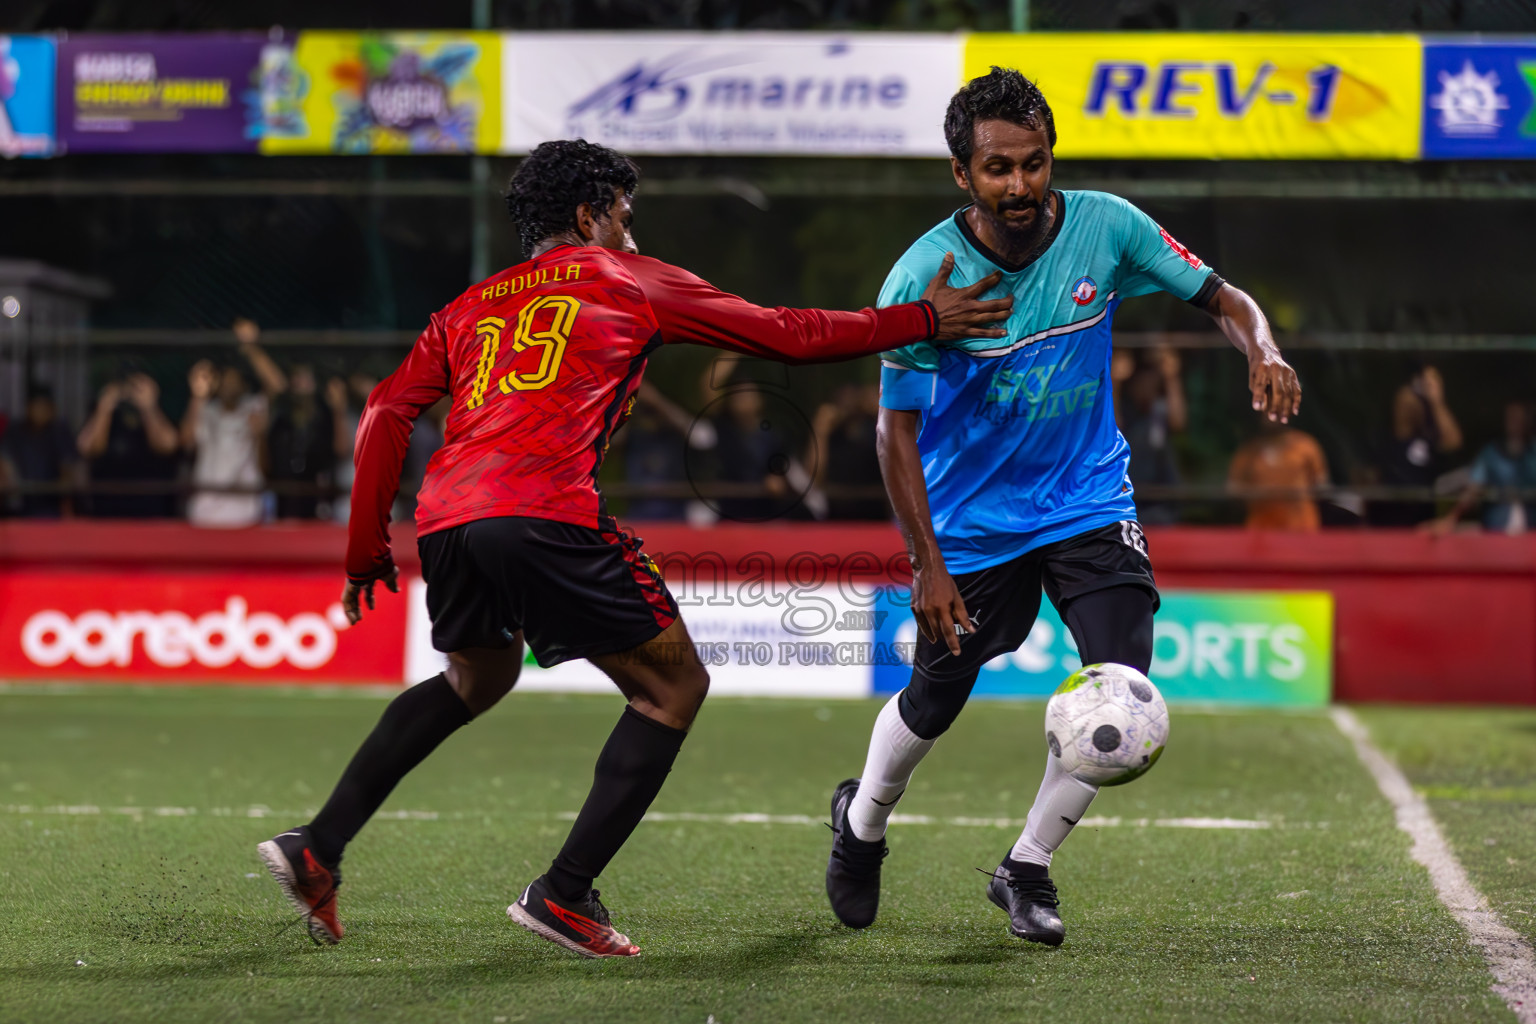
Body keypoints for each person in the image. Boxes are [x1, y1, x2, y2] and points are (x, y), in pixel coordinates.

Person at [255, 138, 1011, 957]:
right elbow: (788, 334)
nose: (632, 232)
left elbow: (383, 413)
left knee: (476, 675)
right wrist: (926, 320)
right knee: (673, 686)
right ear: (589, 216)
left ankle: (318, 846)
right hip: (545, 513)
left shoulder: (467, 307)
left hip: (447, 521)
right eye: (624, 215)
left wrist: (368, 544)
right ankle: (565, 894)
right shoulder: (630, 281)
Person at [823, 67, 1301, 947]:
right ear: (962, 175)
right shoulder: (924, 276)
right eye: (998, 168)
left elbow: (1223, 297)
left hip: (1087, 500)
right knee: (935, 699)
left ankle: (1029, 867)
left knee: (1121, 695)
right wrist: (926, 565)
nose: (1019, 185)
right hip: (972, 525)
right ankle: (861, 827)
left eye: (1034, 164)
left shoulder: (1108, 226)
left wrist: (1260, 348)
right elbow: (894, 436)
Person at [76, 372, 180, 518]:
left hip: (151, 508)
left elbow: (168, 445)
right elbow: (87, 448)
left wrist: (149, 407)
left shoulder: (157, 409)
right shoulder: (104, 413)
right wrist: (105, 406)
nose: (131, 389)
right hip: (107, 509)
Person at [1374, 363, 1462, 526]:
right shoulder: (1384, 437)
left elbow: (1453, 442)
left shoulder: (1428, 437)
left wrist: (1436, 401)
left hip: (1422, 524)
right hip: (1389, 524)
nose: (1410, 402)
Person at [1431, 400, 1536, 535]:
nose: (1515, 422)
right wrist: (1452, 518)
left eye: (1519, 417)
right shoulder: (1491, 453)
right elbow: (1474, 487)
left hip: (1531, 529)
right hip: (1497, 527)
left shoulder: (1533, 451)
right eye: (1511, 417)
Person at [1114, 346, 1187, 525]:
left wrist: (1171, 377)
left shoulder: (1160, 409)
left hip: (1162, 502)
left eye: (1152, 380)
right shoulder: (1124, 407)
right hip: (1127, 500)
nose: (1146, 386)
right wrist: (1114, 381)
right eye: (1142, 381)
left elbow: (1178, 423)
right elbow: (1112, 425)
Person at [1227, 413, 1329, 532]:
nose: (1271, 416)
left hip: (1300, 526)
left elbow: (1321, 484)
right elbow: (1234, 489)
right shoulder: (1248, 451)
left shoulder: (1305, 445)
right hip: (1261, 529)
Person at [808, 381, 888, 521]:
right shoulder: (832, 436)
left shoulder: (875, 432)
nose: (848, 405)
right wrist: (820, 432)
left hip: (876, 519)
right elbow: (814, 476)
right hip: (836, 518)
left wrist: (882, 413)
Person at [267, 363, 337, 520]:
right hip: (284, 494)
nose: (300, 383)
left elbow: (334, 453)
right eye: (296, 378)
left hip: (314, 496)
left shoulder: (324, 417)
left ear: (314, 384)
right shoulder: (282, 419)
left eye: (305, 378)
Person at [0, 384, 78, 518]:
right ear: (28, 407)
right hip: (19, 503)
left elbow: (68, 467)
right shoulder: (15, 431)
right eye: (37, 406)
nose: (41, 411)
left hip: (51, 506)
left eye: (45, 406)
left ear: (52, 408)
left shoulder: (59, 431)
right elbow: (5, 461)